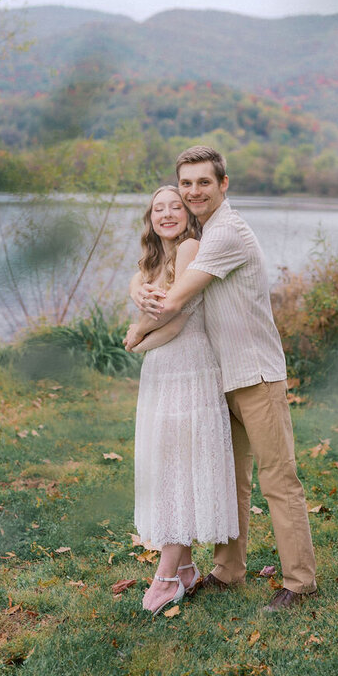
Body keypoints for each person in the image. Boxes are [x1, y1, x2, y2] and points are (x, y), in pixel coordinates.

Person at [129, 145, 317, 612]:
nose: (193, 191)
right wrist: (137, 285)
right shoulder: (202, 232)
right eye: (186, 183)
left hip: (254, 373)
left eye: (203, 182)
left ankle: (299, 582)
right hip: (217, 376)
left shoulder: (226, 234)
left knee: (278, 478)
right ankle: (227, 570)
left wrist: (135, 328)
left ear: (223, 184)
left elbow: (173, 301)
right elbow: (156, 272)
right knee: (231, 479)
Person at [125, 184, 239, 616]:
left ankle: (167, 572)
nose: (168, 213)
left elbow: (175, 315)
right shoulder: (154, 258)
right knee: (170, 462)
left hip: (189, 367)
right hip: (162, 367)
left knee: (179, 465)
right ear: (150, 218)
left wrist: (137, 333)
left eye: (176, 206)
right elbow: (150, 294)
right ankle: (188, 567)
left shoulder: (192, 247)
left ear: (188, 215)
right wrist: (137, 284)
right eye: (159, 208)